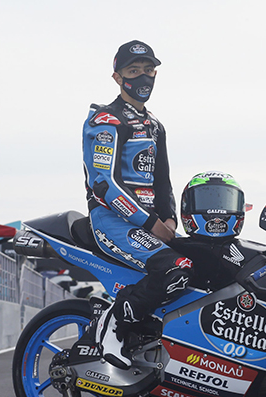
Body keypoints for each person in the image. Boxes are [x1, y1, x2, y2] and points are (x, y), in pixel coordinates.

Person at [82, 40, 192, 368]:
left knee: (205, 261)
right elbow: (103, 185)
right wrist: (150, 223)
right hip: (111, 220)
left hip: (148, 223)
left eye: (148, 70)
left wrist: (170, 219)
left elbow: (163, 182)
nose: (143, 78)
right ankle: (113, 325)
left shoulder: (156, 125)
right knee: (175, 268)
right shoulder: (106, 121)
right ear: (118, 78)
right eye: (134, 71)